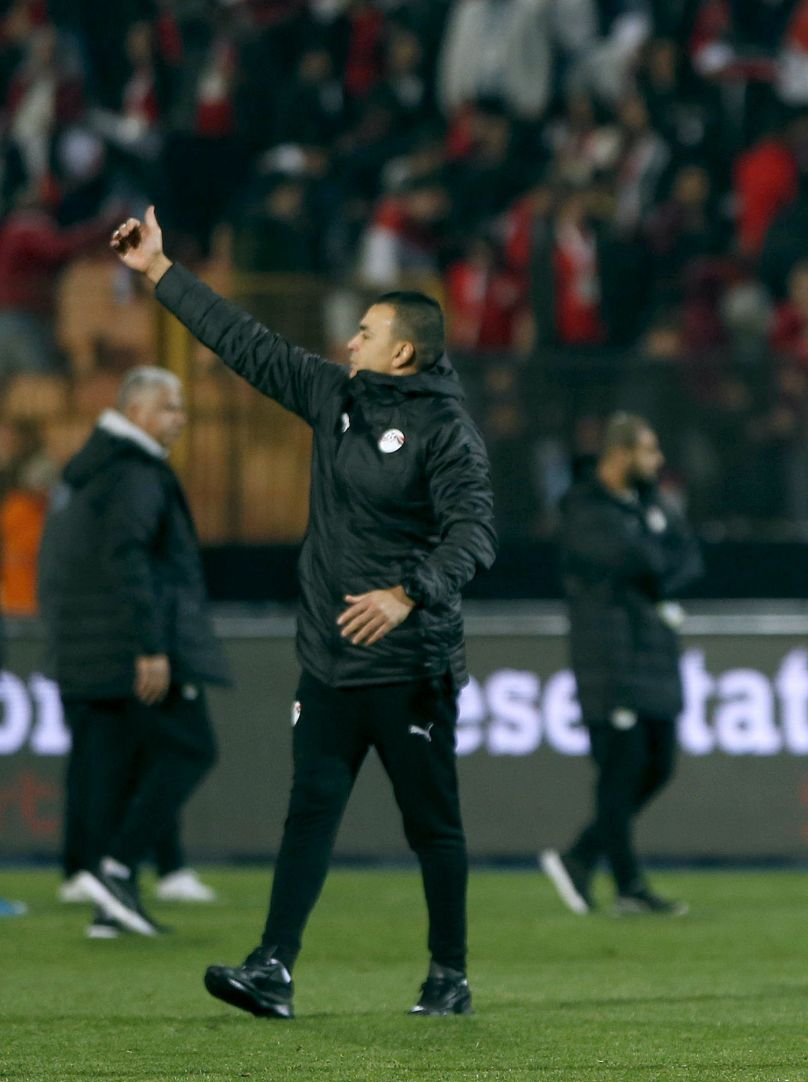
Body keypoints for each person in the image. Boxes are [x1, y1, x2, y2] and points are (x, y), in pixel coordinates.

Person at [110, 207, 496, 1018]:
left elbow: (475, 535)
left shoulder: (446, 430)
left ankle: (448, 974)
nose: (348, 341)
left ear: (403, 351)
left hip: (410, 663)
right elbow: (244, 343)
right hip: (329, 659)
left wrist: (406, 595)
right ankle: (273, 967)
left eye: (365, 331)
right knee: (309, 814)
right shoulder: (335, 398)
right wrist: (159, 272)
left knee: (432, 825)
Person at [39, 367, 230, 940]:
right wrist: (151, 646)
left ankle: (109, 905)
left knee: (114, 765)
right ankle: (118, 869)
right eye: (170, 407)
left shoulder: (90, 469)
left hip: (90, 646)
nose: (180, 418)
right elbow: (132, 559)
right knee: (191, 748)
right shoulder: (136, 472)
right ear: (136, 411)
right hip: (135, 645)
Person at [541, 413, 702, 918]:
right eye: (649, 451)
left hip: (652, 653)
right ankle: (628, 884)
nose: (657, 462)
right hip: (608, 659)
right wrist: (657, 556)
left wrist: (655, 558)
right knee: (621, 769)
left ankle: (580, 857)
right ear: (620, 454)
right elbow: (645, 562)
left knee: (658, 765)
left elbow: (689, 562)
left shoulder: (651, 504)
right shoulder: (583, 506)